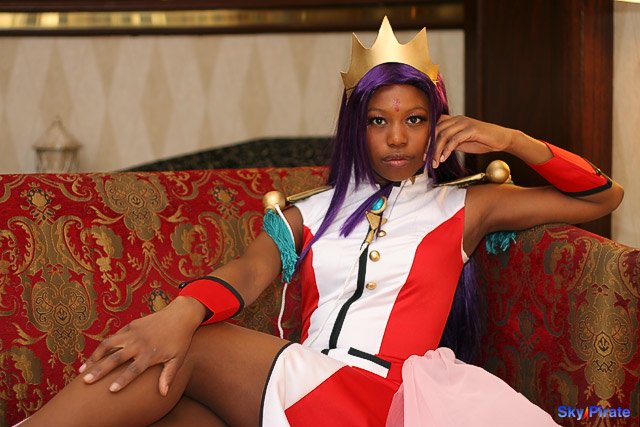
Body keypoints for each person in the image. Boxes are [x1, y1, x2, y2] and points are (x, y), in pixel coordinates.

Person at [19, 17, 623, 427]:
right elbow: (248, 272)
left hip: (380, 399)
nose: (397, 137)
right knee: (174, 407)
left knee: (192, 346)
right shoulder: (307, 210)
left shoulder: (467, 207)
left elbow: (602, 196)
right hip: (307, 387)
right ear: (356, 127)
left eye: (414, 120)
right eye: (379, 121)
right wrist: (178, 316)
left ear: (436, 124)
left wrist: (511, 139)